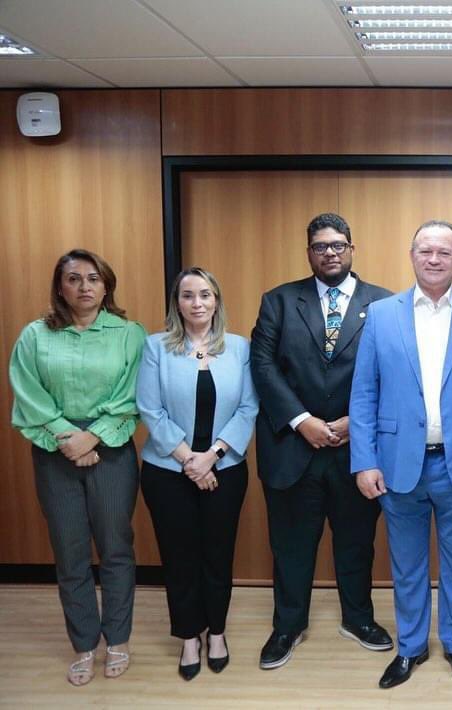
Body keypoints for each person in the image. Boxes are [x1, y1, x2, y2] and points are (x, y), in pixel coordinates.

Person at [350, 220, 452, 690]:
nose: (434, 259)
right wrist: (364, 460)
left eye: (444, 252)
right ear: (412, 255)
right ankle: (411, 647)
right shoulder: (381, 315)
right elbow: (363, 395)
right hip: (398, 461)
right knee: (406, 564)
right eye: (425, 250)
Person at [250, 213, 393, 670]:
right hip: (295, 448)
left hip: (359, 449)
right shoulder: (278, 301)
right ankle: (288, 626)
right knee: (292, 545)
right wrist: (301, 420)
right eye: (319, 246)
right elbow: (264, 367)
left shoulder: (385, 304)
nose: (329, 253)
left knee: (356, 542)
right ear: (308, 252)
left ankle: (358, 618)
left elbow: (397, 371)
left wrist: (358, 421)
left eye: (337, 245)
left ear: (352, 248)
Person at [9, 249, 146, 686]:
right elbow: (27, 392)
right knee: (70, 552)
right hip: (54, 450)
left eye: (93, 278)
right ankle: (84, 643)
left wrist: (94, 436)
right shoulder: (35, 335)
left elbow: (133, 393)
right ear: (60, 286)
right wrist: (67, 438)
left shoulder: (129, 334)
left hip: (113, 448)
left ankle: (118, 639)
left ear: (107, 286)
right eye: (73, 278)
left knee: (116, 549)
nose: (84, 286)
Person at [136, 268, 259, 680]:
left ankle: (218, 632)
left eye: (205, 294)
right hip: (168, 472)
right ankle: (189, 635)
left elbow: (248, 408)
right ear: (177, 303)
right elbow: (151, 409)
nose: (197, 303)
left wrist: (213, 456)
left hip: (225, 468)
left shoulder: (239, 348)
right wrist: (191, 460)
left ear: (217, 300)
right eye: (188, 296)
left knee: (218, 555)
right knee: (180, 556)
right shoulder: (156, 347)